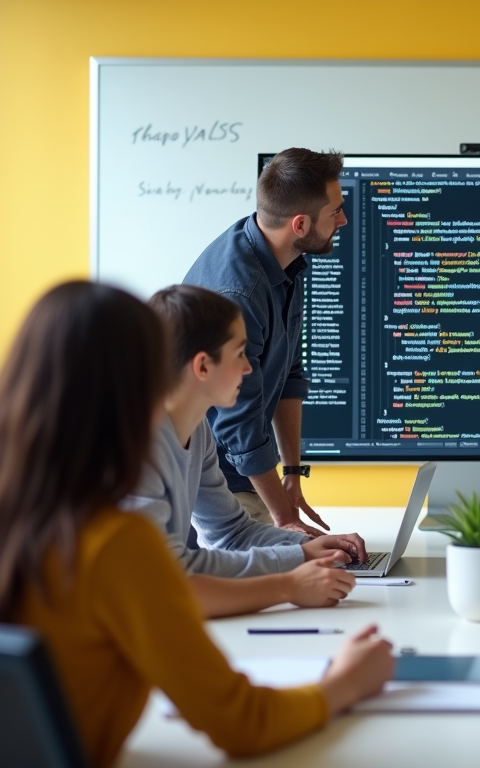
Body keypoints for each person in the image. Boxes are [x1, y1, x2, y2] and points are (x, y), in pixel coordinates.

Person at [0, 281, 394, 767]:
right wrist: (348, 681)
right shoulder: (116, 543)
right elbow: (242, 722)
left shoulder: (27, 511)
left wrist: (298, 552)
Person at [122, 284, 367, 618]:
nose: (250, 369)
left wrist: (304, 550)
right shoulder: (137, 444)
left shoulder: (198, 430)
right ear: (203, 366)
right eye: (240, 354)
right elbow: (165, 583)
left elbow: (231, 533)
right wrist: (289, 586)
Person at [184, 148, 346, 536]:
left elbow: (288, 372)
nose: (343, 219)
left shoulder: (283, 258)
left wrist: (292, 474)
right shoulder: (240, 292)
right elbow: (238, 425)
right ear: (301, 224)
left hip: (247, 471)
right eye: (335, 211)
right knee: (294, 571)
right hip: (217, 484)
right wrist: (286, 520)